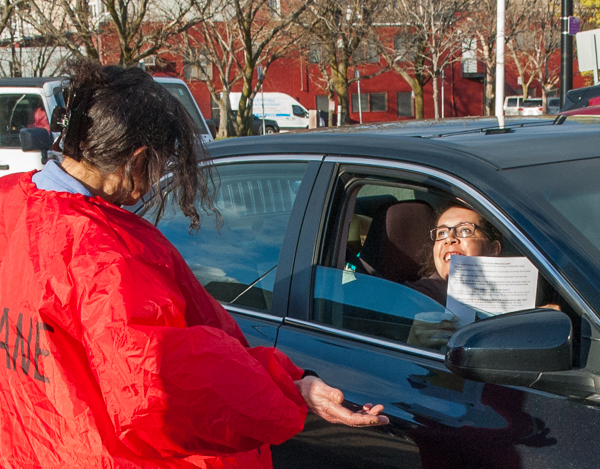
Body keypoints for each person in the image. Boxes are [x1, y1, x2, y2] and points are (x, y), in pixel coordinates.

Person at [0, 59, 387, 469]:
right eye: (158, 165)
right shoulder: (103, 256)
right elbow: (163, 383)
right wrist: (287, 388)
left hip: (31, 442)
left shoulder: (11, 204)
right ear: (136, 161)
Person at [406, 202, 503, 348]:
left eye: (465, 230)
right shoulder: (413, 298)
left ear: (493, 249)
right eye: (442, 233)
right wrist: (412, 343)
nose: (449, 238)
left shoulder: (526, 292)